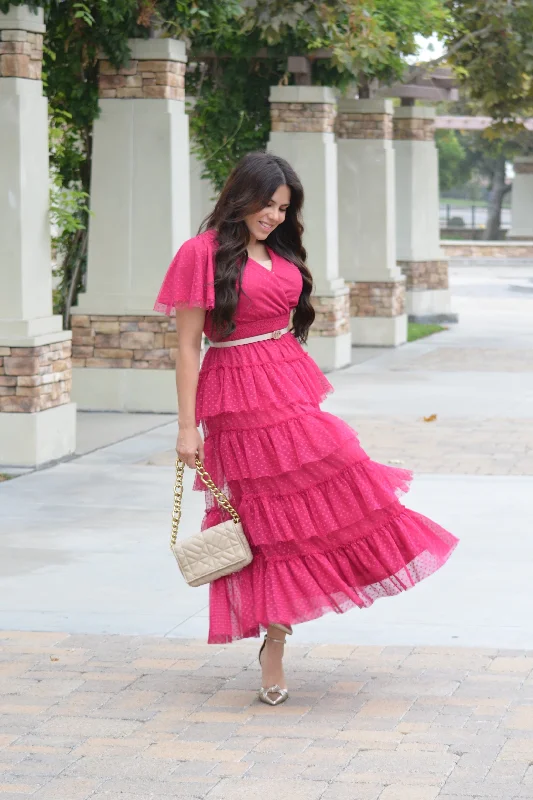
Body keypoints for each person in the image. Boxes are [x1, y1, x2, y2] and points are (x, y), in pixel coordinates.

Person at [154, 151, 458, 706]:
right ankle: (274, 643)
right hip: (236, 398)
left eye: (282, 208)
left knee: (342, 472)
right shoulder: (201, 255)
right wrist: (186, 428)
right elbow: (186, 346)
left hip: (289, 386)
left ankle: (326, 592)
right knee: (262, 522)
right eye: (266, 205)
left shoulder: (280, 253)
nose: (272, 216)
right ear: (241, 197)